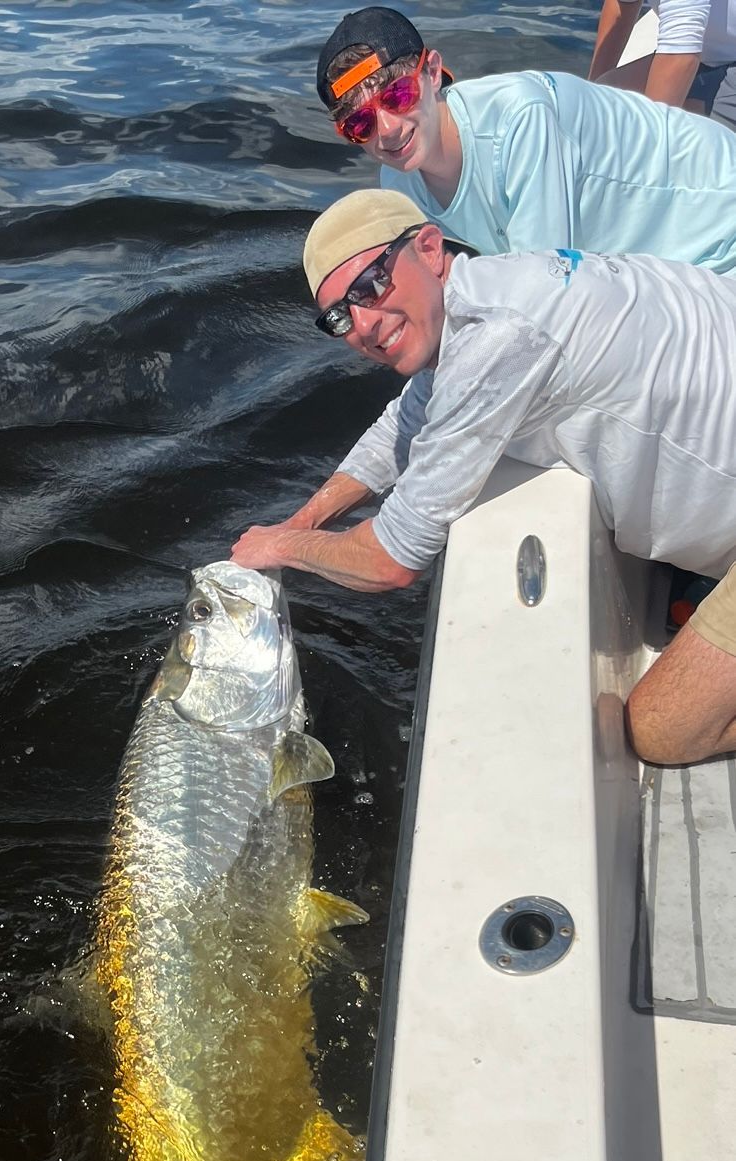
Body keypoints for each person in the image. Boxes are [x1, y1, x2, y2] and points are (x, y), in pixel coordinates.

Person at [229, 189, 736, 764]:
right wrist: (305, 519)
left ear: (429, 247)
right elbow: (408, 418)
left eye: (371, 285)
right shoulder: (494, 291)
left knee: (662, 729)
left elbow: (391, 560)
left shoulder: (499, 337)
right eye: (341, 315)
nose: (365, 324)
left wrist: (281, 548)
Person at [315, 7, 736, 271]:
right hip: (639, 261)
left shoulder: (519, 120)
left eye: (398, 95)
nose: (387, 130)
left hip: (716, 235)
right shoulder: (399, 183)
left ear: (432, 71)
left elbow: (547, 291)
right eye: (361, 124)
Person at [589, 0, 736, 114]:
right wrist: (590, 92)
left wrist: (652, 142)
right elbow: (621, 8)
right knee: (605, 98)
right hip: (708, 55)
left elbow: (679, 56)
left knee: (692, 128)